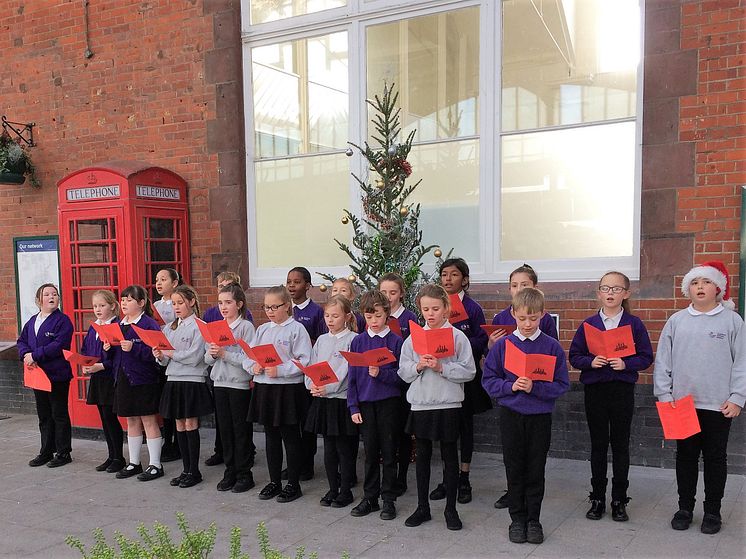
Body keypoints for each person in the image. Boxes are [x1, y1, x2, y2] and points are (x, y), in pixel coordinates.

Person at [654, 261, 745, 535]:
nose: (700, 287)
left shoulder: (732, 321)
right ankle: (685, 508)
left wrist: (737, 396)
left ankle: (713, 511)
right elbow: (663, 361)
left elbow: (741, 361)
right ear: (688, 289)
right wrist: (664, 393)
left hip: (718, 404)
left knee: (715, 458)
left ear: (717, 287)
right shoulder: (677, 321)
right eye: (694, 283)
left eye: (706, 282)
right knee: (686, 457)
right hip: (682, 404)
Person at [482, 288, 569, 544]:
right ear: (513, 315)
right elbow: (489, 380)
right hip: (511, 415)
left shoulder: (551, 347)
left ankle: (534, 520)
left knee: (535, 469)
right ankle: (517, 520)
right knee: (514, 467)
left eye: (533, 318)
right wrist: (511, 387)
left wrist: (536, 387)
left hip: (539, 417)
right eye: (522, 319)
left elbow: (562, 385)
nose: (528, 324)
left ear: (543, 315)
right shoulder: (503, 346)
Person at [569, 272, 653, 522]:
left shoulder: (634, 324)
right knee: (598, 444)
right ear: (599, 293)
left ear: (626, 293)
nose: (610, 293)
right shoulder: (589, 324)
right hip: (595, 390)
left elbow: (646, 357)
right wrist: (591, 361)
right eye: (605, 288)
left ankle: (619, 499)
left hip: (621, 390)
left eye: (616, 289)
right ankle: (597, 498)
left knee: (620, 445)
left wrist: (625, 364)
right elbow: (574, 356)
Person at [398, 284, 476, 531]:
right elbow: (403, 371)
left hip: (449, 402)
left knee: (449, 456)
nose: (430, 314)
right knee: (422, 455)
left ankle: (451, 509)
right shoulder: (413, 338)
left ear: (446, 309)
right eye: (425, 309)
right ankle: (422, 507)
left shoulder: (457, 337)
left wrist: (443, 367)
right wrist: (418, 366)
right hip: (422, 403)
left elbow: (469, 371)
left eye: (435, 309)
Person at [245, 286, 312, 503]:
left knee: (290, 436)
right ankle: (274, 481)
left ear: (287, 306)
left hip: (287, 388)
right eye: (267, 307)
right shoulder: (263, 329)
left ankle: (293, 483)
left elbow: (304, 360)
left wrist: (281, 370)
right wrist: (252, 366)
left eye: (275, 306)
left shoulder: (297, 329)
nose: (270, 311)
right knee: (271, 435)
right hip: (265, 386)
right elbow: (251, 354)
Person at [433, 258, 490, 504]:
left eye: (453, 275)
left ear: (464, 279)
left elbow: (482, 341)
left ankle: (464, 478)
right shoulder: (435, 307)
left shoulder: (473, 308)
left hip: (465, 376)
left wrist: (460, 343)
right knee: (447, 428)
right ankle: (448, 479)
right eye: (444, 274)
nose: (448, 279)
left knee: (465, 428)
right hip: (440, 376)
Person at [348, 290, 404, 521]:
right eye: (369, 317)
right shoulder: (358, 341)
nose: (374, 321)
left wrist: (381, 373)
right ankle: (369, 497)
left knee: (389, 453)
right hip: (366, 403)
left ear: (387, 314)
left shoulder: (396, 341)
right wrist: (353, 406)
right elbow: (352, 377)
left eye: (378, 316)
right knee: (370, 453)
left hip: (389, 403)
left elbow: (402, 377)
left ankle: (388, 499)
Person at [156, 285, 213, 488]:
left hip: (192, 380)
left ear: (191, 302)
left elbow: (195, 357)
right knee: (179, 424)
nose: (176, 307)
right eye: (173, 303)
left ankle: (194, 471)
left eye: (180, 303)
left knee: (190, 423)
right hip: (173, 379)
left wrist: (170, 354)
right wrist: (160, 355)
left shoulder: (200, 326)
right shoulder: (169, 327)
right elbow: (165, 361)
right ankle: (185, 469)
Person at [304, 295, 358, 508]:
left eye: (335, 316)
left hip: (340, 399)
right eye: (327, 315)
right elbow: (311, 365)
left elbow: (347, 373)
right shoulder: (322, 340)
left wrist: (328, 387)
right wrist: (312, 385)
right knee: (328, 448)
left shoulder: (353, 340)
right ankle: (332, 488)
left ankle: (345, 490)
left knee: (343, 448)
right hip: (323, 400)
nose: (330, 320)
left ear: (347, 316)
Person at [108, 285, 164, 482]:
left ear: (141, 303)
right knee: (131, 421)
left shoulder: (148, 324)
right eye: (122, 300)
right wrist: (108, 348)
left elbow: (157, 352)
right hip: (123, 378)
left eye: (129, 300)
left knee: (149, 420)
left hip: (144, 379)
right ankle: (134, 462)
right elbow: (114, 356)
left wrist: (134, 348)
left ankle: (156, 464)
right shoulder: (118, 324)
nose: (124, 303)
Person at [205, 282, 257, 493]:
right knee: (225, 430)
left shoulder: (245, 327)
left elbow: (249, 358)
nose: (223, 307)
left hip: (238, 385)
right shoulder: (215, 327)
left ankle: (245, 473)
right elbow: (207, 359)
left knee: (240, 430)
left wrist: (226, 354)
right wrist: (213, 353)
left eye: (228, 302)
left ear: (239, 304)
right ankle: (230, 470)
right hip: (219, 382)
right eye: (220, 303)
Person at [18, 283, 74, 468]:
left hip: (57, 374)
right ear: (38, 300)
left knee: (59, 413)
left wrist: (35, 355)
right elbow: (22, 341)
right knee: (44, 414)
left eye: (55, 294)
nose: (52, 297)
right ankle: (46, 451)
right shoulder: (32, 320)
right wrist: (26, 355)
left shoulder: (63, 321)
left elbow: (59, 345)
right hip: (37, 375)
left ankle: (63, 452)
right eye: (47, 294)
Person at [379, 272, 418, 495]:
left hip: (402, 383)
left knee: (402, 433)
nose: (388, 297)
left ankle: (401, 478)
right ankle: (387, 478)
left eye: (393, 292)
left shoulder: (409, 318)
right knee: (387, 434)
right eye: (384, 292)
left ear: (401, 294)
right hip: (381, 382)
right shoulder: (375, 316)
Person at [80, 289, 125, 473]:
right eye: (95, 306)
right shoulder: (94, 327)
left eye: (102, 305)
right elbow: (86, 349)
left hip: (109, 378)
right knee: (103, 418)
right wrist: (84, 363)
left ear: (113, 306)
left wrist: (102, 365)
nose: (98, 309)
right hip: (97, 378)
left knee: (111, 418)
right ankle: (111, 455)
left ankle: (119, 457)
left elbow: (118, 356)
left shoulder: (117, 326)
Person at [288, 266, 325, 481]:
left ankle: (307, 464)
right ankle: (294, 462)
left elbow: (321, 343)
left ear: (308, 285)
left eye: (297, 282)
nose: (292, 286)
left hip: (307, 374)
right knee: (291, 423)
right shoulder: (285, 310)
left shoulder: (316, 312)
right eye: (289, 282)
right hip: (288, 376)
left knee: (306, 423)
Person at [153, 267, 181, 463]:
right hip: (160, 357)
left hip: (176, 357)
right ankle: (167, 439)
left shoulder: (178, 303)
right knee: (164, 403)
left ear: (175, 283)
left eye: (164, 279)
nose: (159, 283)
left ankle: (177, 443)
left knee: (176, 404)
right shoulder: (154, 305)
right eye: (157, 280)